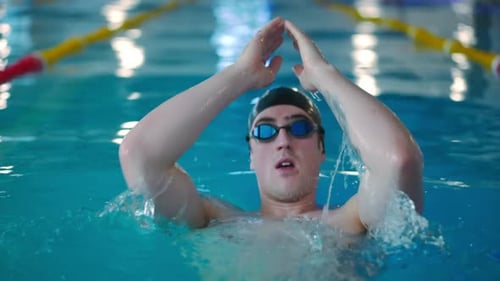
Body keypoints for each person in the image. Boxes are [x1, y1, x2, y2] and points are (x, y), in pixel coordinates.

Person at [118, 17, 423, 234]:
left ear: (322, 149)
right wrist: (237, 76)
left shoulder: (352, 222)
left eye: (300, 128)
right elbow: (140, 155)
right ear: (250, 153)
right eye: (265, 131)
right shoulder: (214, 221)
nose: (283, 141)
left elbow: (398, 160)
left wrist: (324, 75)